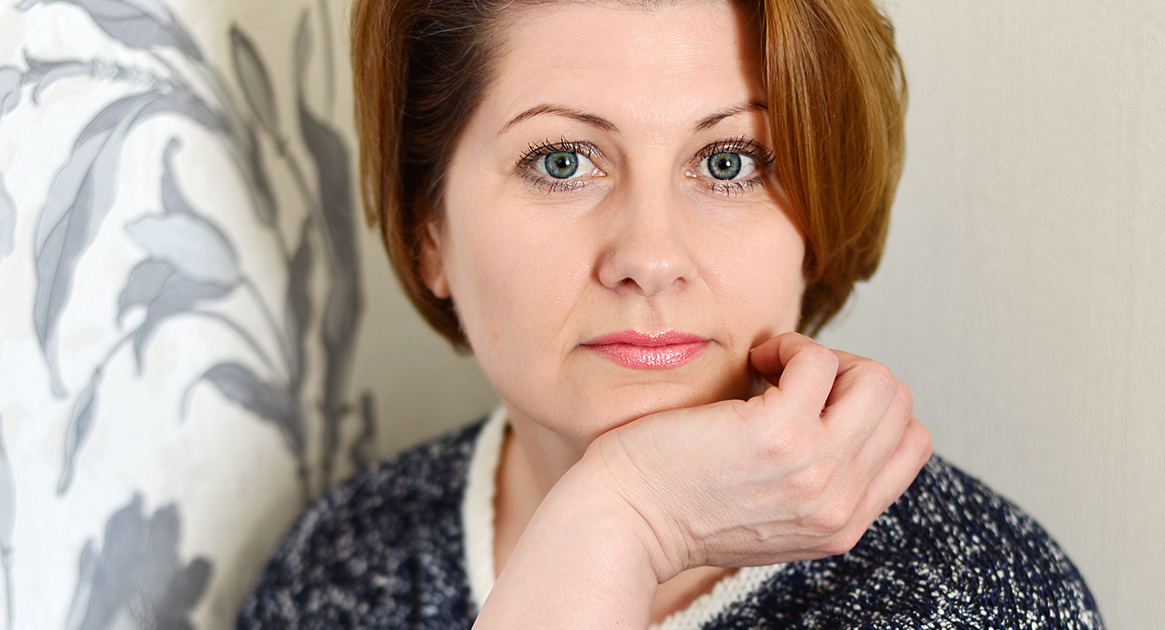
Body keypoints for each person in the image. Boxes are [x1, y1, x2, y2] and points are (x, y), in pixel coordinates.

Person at [238, 0, 1104, 627]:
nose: (651, 258)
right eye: (563, 161)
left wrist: (632, 514)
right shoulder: (337, 564)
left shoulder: (978, 595)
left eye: (730, 163)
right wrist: (616, 526)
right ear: (429, 228)